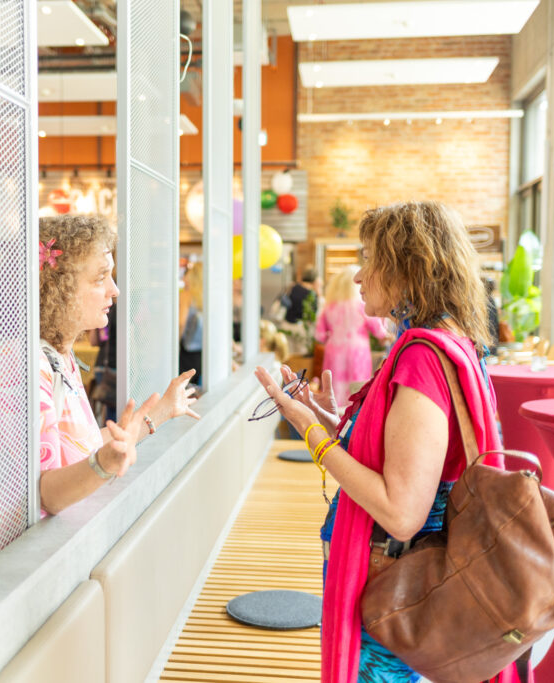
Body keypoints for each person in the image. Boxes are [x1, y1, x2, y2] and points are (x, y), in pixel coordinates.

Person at [254, 201, 514, 683]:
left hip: (393, 581)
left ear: (404, 269)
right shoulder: (451, 340)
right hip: (410, 577)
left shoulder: (421, 357)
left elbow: (400, 511)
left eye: (368, 258)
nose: (358, 275)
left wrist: (310, 435)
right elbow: (416, 457)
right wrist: (332, 421)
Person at [39, 214, 200, 516]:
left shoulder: (59, 356)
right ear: (57, 286)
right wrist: (103, 466)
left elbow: (81, 447)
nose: (115, 290)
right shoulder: (31, 367)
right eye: (100, 278)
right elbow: (47, 495)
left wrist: (162, 411)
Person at [314, 265, 390, 407]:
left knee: (333, 387)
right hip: (358, 351)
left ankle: (333, 421)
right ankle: (353, 422)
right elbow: (379, 331)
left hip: (334, 351)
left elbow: (319, 335)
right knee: (357, 389)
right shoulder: (361, 305)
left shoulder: (329, 306)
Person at [178, 261, 203, 386]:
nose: (183, 277)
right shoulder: (206, 297)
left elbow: (181, 323)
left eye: (186, 274)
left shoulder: (186, 295)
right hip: (201, 352)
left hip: (186, 351)